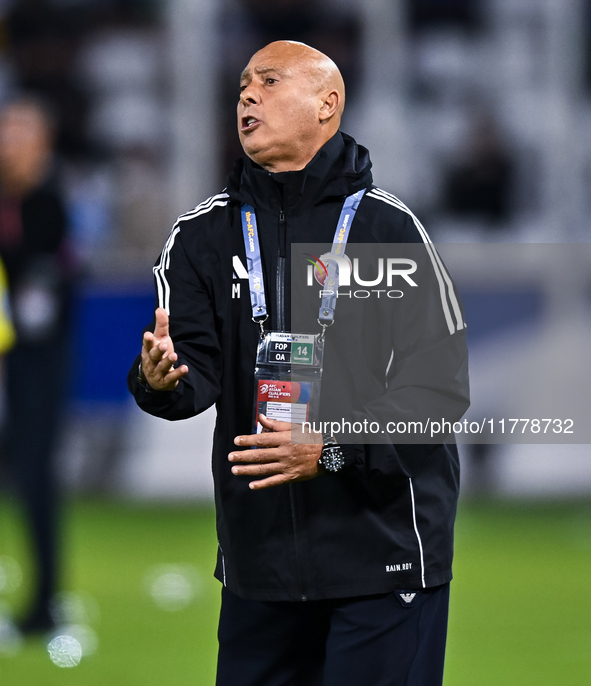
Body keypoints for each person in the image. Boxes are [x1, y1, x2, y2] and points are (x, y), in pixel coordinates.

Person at [128, 41, 469, 686]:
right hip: (263, 565)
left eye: (269, 80)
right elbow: (191, 375)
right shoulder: (202, 236)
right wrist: (158, 380)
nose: (247, 96)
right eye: (241, 86)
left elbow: (438, 392)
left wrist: (332, 445)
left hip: (384, 552)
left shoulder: (389, 233)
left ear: (327, 104)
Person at [0, 96, 72, 634]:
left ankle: (45, 601)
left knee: (36, 478)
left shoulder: (54, 204)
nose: (10, 143)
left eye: (21, 133)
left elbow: (51, 296)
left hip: (35, 366)